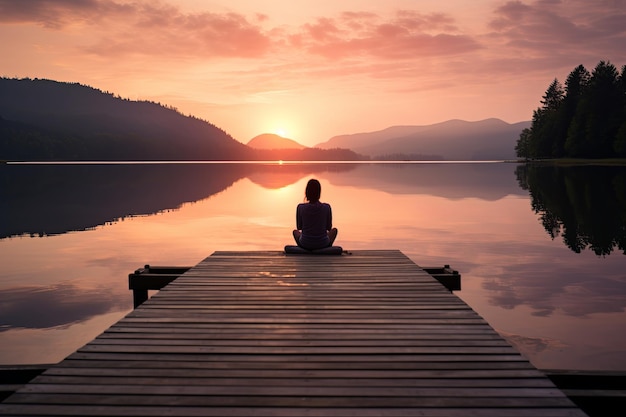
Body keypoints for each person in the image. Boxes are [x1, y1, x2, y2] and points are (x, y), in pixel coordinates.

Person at [293, 179, 338, 250]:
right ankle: (324, 248)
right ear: (319, 193)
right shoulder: (326, 207)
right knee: (334, 230)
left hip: (305, 243)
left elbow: (299, 227)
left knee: (295, 232)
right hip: (323, 243)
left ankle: (307, 248)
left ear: (307, 192)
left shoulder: (300, 207)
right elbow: (329, 227)